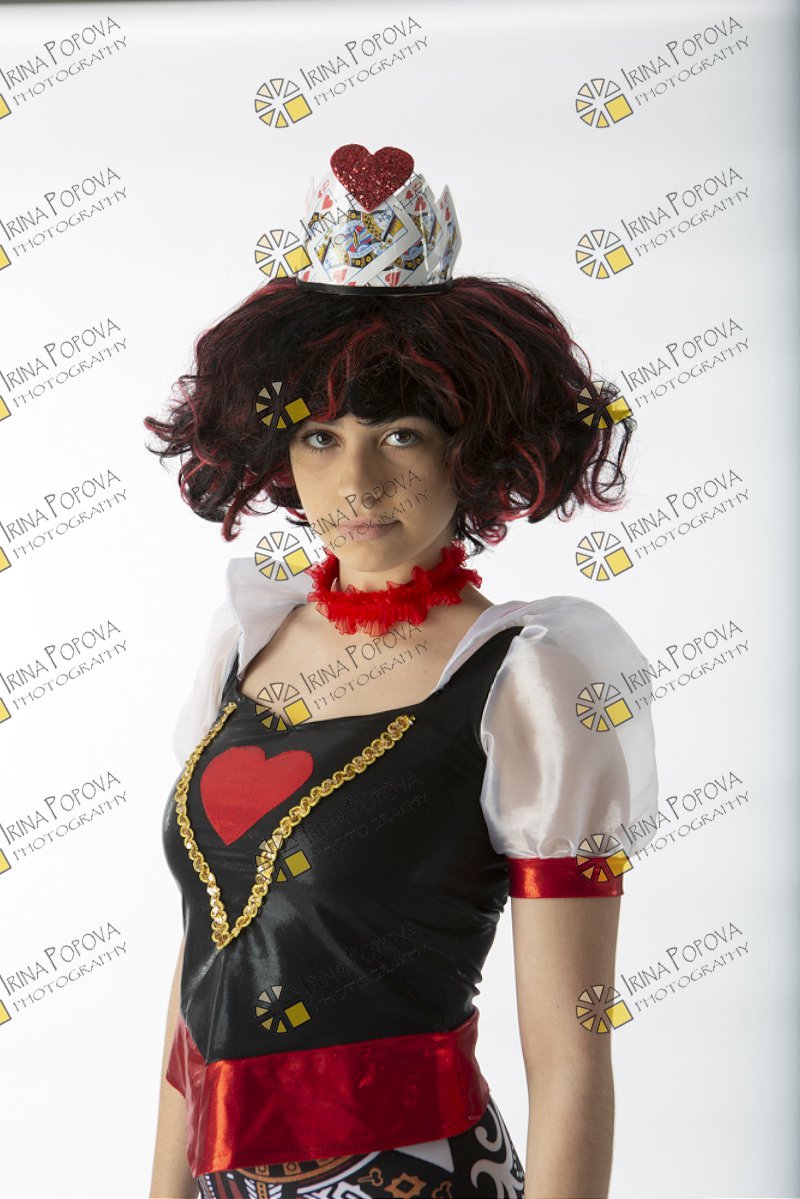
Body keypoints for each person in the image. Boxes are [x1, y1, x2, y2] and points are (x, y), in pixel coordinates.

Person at [145, 144, 659, 1199]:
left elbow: (571, 1061)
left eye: (400, 433)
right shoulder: (245, 645)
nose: (357, 481)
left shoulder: (526, 681)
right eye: (319, 436)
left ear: (472, 447)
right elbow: (200, 974)